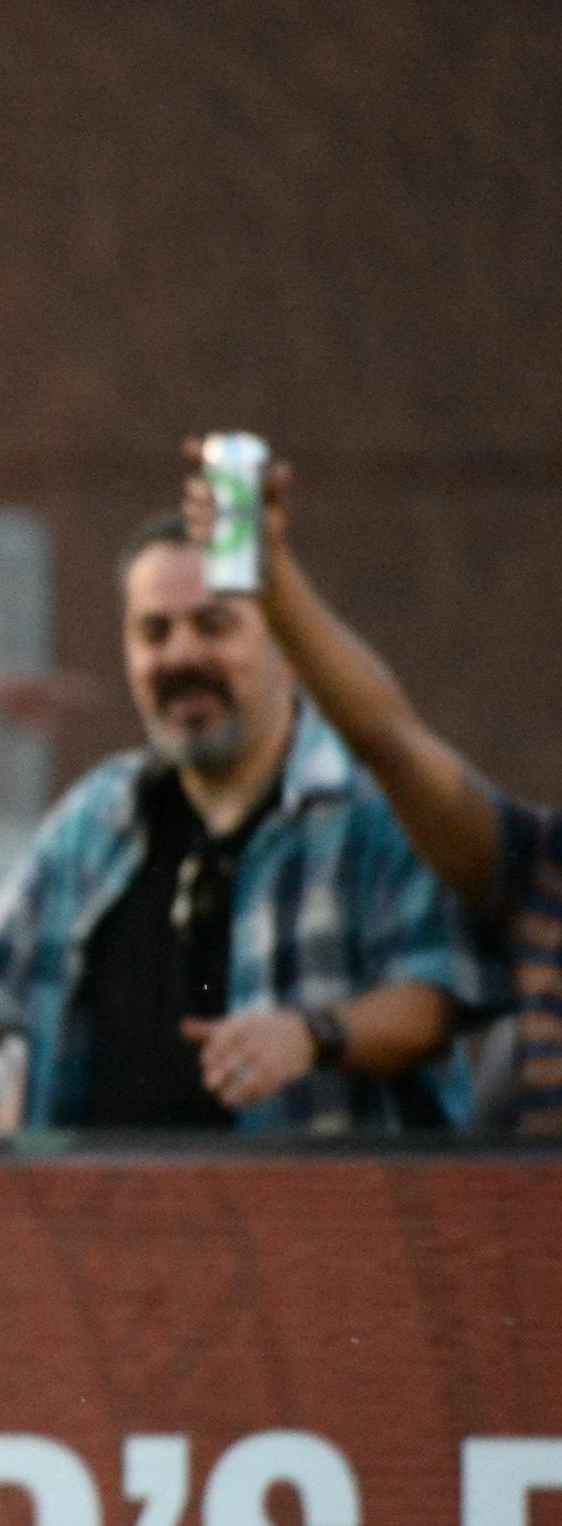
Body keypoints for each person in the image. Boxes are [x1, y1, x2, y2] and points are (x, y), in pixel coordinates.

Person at [0, 514, 496, 1131]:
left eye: (214, 625)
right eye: (154, 632)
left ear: (291, 652)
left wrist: (313, 1035)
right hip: (97, 1219)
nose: (182, 654)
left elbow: (435, 1000)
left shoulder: (371, 808)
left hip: (325, 1219)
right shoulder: (96, 816)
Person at [180, 444, 558, 1132]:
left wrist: (311, 1033)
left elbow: (425, 1007)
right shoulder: (547, 871)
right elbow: (390, 743)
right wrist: (269, 569)